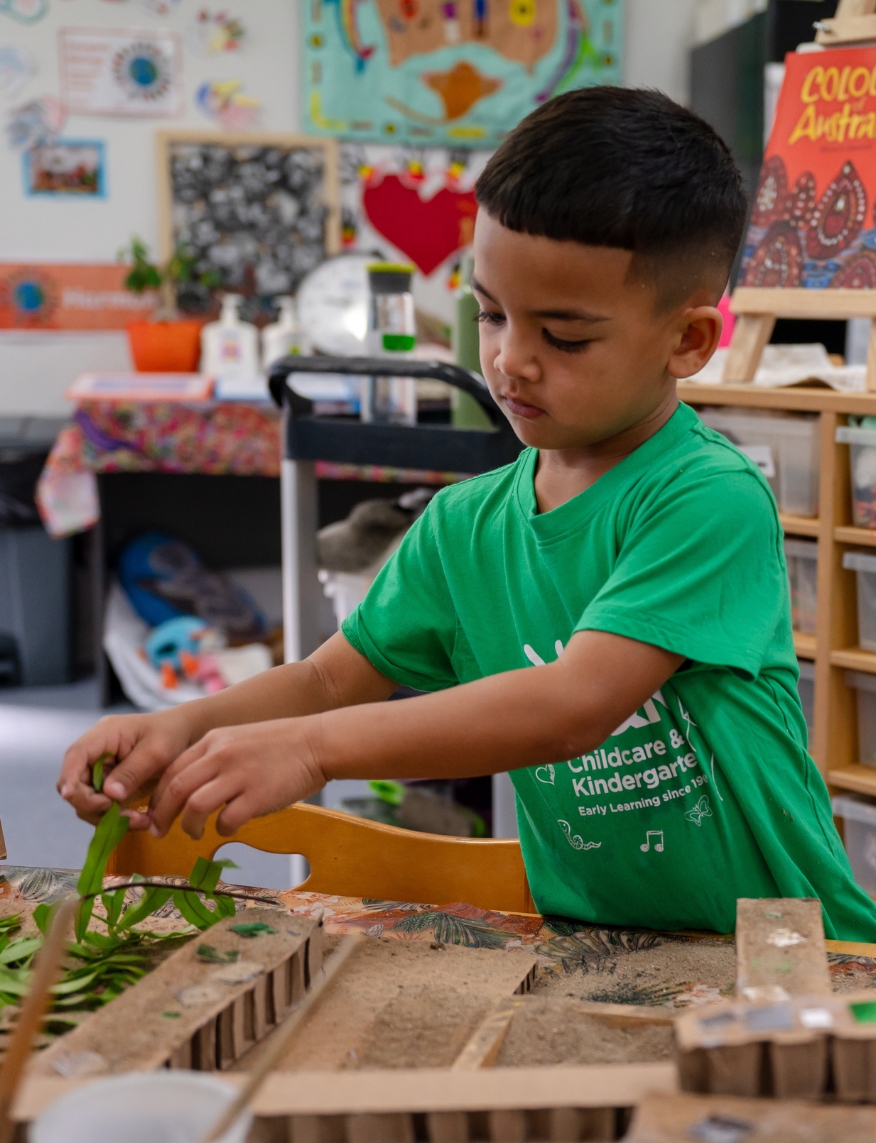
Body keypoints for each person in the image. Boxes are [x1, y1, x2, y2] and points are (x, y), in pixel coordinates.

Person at [59, 87, 876, 940]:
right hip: (596, 936)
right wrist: (176, 725)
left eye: (564, 337)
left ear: (688, 341)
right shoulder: (463, 525)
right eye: (490, 313)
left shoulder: (706, 498)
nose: (509, 359)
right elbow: (329, 678)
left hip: (785, 947)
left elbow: (573, 704)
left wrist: (312, 749)